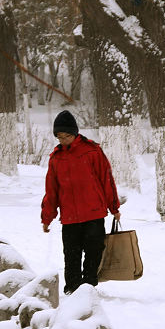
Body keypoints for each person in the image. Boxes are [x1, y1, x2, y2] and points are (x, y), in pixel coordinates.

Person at [41, 110, 121, 295]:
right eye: (59, 137)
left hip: (94, 213)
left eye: (66, 136)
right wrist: (47, 217)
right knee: (71, 255)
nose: (63, 140)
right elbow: (51, 191)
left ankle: (89, 288)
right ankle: (71, 290)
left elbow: (106, 180)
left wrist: (114, 207)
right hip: (69, 217)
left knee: (93, 252)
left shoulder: (92, 151)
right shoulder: (56, 158)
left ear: (75, 133)